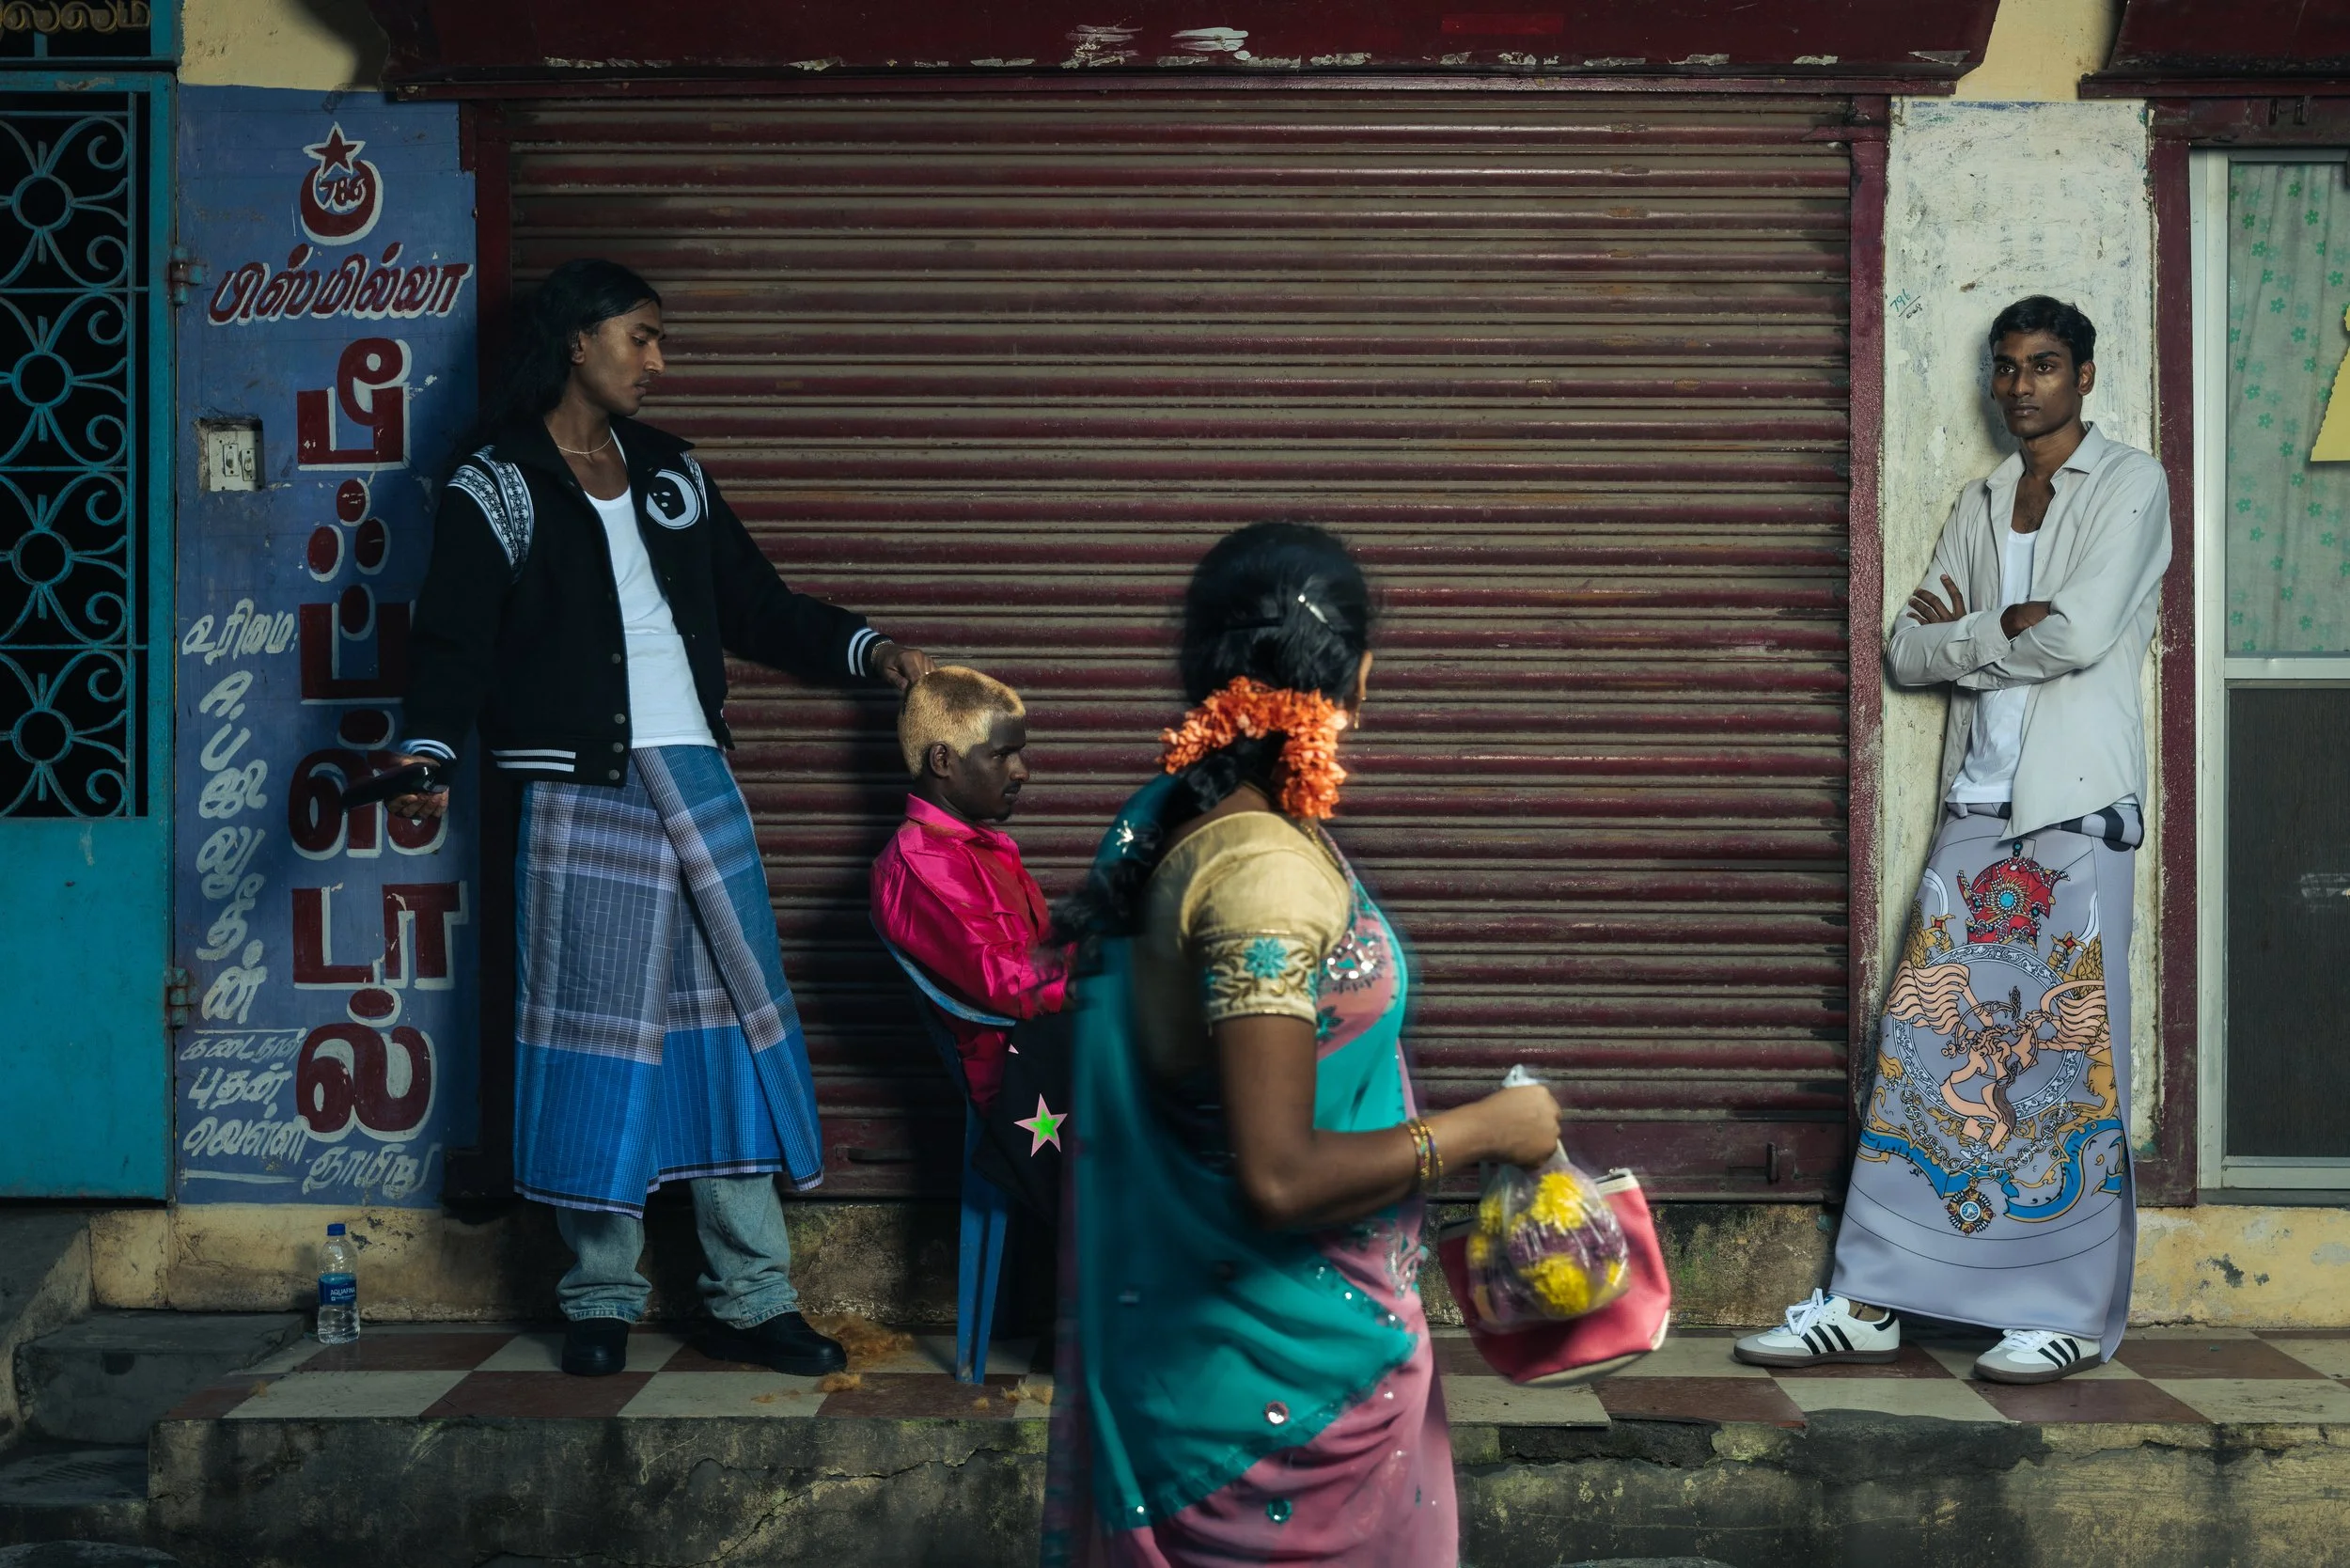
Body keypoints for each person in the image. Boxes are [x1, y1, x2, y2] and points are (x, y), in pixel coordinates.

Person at [386, 258, 934, 1379]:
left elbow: (758, 606)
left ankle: (751, 1296)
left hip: (696, 779)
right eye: (640, 337)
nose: (657, 361)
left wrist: (869, 648)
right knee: (596, 1037)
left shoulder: (672, 474)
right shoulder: (492, 483)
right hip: (579, 791)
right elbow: (453, 644)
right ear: (577, 342)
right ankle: (599, 1296)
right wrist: (428, 753)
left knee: (729, 1030)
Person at [1042, 522, 1561, 1567]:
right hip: (1277, 1407)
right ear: (1354, 674)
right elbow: (1276, 1179)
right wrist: (1486, 1130)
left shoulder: (1182, 821)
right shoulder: (1261, 877)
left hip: (1250, 1365)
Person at [1736, 296, 2170, 1385]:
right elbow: (1906, 649)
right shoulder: (1982, 499)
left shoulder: (2131, 485)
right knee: (1925, 1056)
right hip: (1976, 807)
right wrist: (1998, 631)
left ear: (2084, 374)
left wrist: (1975, 634)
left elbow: (2076, 631)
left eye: (2045, 366)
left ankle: (2064, 1312)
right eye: (2007, 368)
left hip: (2072, 810)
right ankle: (1873, 1298)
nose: (2022, 386)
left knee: (2063, 1060)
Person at [870, 666, 1065, 1115]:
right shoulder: (921, 862)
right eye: (1002, 755)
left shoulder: (978, 847)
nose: (1023, 772)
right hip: (1019, 1089)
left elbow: (1042, 953)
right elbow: (1007, 980)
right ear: (943, 761)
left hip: (1046, 1057)